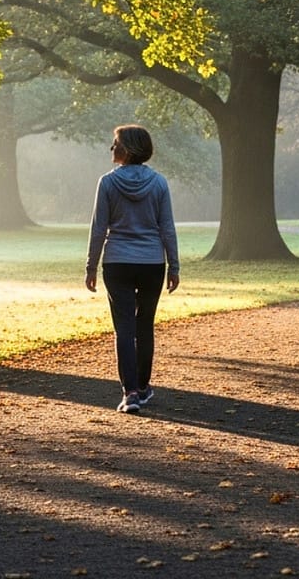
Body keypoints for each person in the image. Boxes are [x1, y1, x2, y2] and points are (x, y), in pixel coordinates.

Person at [86, 124, 180, 414]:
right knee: (144, 326)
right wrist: (173, 265)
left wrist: (91, 265)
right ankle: (143, 386)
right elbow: (167, 227)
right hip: (152, 262)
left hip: (117, 261)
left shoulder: (107, 182)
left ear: (127, 149)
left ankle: (130, 393)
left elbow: (99, 227)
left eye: (115, 144)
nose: (111, 149)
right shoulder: (159, 183)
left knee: (124, 329)